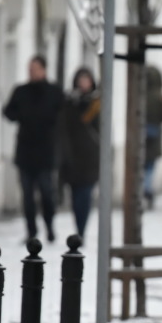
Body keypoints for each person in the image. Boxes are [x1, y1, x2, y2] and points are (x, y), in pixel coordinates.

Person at [3, 55, 64, 242]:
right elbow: (8, 111)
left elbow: (62, 116)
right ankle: (31, 231)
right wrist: (21, 115)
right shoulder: (21, 91)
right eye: (30, 68)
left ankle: (49, 226)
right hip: (25, 152)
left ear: (44, 70)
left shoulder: (54, 92)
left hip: (46, 152)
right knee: (27, 196)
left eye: (35, 68)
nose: (32, 72)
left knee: (47, 193)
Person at [58, 67, 101, 240]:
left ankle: (81, 230)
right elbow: (63, 127)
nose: (84, 83)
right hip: (72, 156)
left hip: (91, 156)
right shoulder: (69, 102)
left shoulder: (97, 103)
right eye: (81, 80)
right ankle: (78, 226)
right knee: (75, 196)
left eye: (87, 80)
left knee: (85, 195)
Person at [142, 66, 162, 210]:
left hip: (141, 135)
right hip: (154, 136)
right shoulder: (159, 97)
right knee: (149, 167)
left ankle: (145, 191)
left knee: (143, 166)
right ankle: (147, 191)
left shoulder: (140, 94)